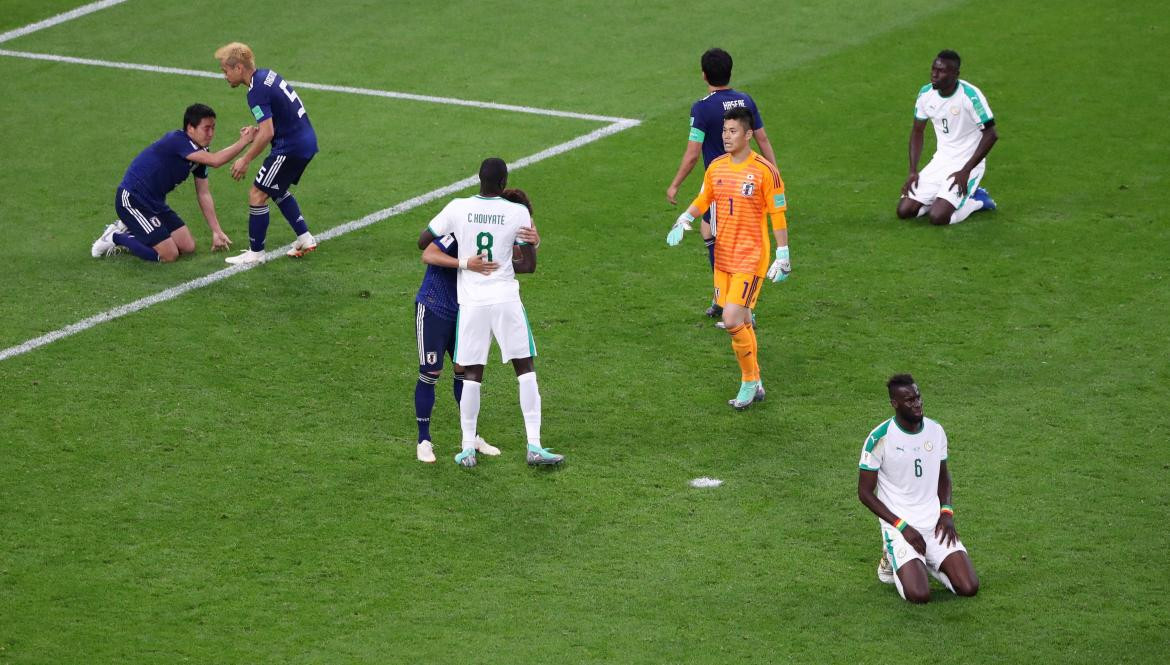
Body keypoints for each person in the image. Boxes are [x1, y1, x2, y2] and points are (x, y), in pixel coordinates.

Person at [418, 159, 563, 467]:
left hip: (471, 302)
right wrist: (530, 245)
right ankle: (534, 446)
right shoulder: (517, 212)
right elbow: (529, 266)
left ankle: (467, 448)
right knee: (525, 369)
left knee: (471, 374)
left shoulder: (458, 207)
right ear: (503, 183)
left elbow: (423, 242)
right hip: (505, 299)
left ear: (478, 179)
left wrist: (465, 258)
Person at [666, 107, 791, 410]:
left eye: (733, 131)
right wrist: (686, 217)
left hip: (751, 257)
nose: (726, 136)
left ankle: (749, 381)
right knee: (744, 319)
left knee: (731, 318)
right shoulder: (717, 167)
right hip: (723, 258)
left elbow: (777, 214)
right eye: (724, 131)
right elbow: (705, 198)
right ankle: (756, 381)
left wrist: (783, 254)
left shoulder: (765, 171)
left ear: (748, 135)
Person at [665, 47, 779, 319]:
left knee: (724, 241)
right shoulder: (745, 101)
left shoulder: (703, 108)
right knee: (709, 232)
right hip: (745, 179)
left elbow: (693, 154)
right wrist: (774, 173)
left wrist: (675, 184)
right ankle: (724, 298)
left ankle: (734, 305)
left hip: (723, 184)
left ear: (704, 75)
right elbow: (762, 139)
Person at [857, 374, 980, 603]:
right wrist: (901, 526)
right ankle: (891, 558)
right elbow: (864, 493)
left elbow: (943, 477)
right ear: (895, 403)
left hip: (935, 524)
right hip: (901, 528)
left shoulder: (936, 431)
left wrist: (946, 513)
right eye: (909, 400)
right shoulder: (879, 439)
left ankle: (927, 561)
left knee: (969, 587)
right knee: (919, 595)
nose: (917, 404)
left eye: (918, 397)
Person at [90, 104, 254, 262]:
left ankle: (132, 226)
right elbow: (216, 161)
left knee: (188, 247)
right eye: (206, 128)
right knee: (169, 255)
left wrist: (216, 231)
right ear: (190, 128)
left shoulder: (200, 153)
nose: (211, 133)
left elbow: (203, 193)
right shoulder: (177, 140)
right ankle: (115, 237)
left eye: (213, 127)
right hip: (132, 199)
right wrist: (244, 141)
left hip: (155, 202)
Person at [214, 42, 319, 264]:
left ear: (239, 68)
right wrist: (256, 130)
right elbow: (275, 118)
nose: (225, 76)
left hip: (290, 147)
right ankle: (305, 237)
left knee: (257, 193)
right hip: (305, 140)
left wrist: (245, 158)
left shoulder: (255, 92)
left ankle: (256, 253)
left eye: (226, 71)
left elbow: (268, 132)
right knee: (275, 188)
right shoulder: (266, 76)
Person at [412, 229, 501, 464]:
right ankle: (423, 440)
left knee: (465, 372)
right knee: (431, 373)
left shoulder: (488, 235)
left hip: (464, 311)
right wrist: (465, 264)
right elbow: (429, 254)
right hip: (434, 307)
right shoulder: (460, 231)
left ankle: (471, 438)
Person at [897, 50, 998, 225]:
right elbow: (917, 131)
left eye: (941, 71)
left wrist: (966, 171)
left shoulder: (970, 96)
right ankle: (939, 198)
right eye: (933, 69)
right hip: (941, 161)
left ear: (955, 74)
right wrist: (913, 171)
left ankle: (977, 200)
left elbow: (991, 134)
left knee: (939, 218)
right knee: (904, 211)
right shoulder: (925, 94)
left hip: (967, 163)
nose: (934, 75)